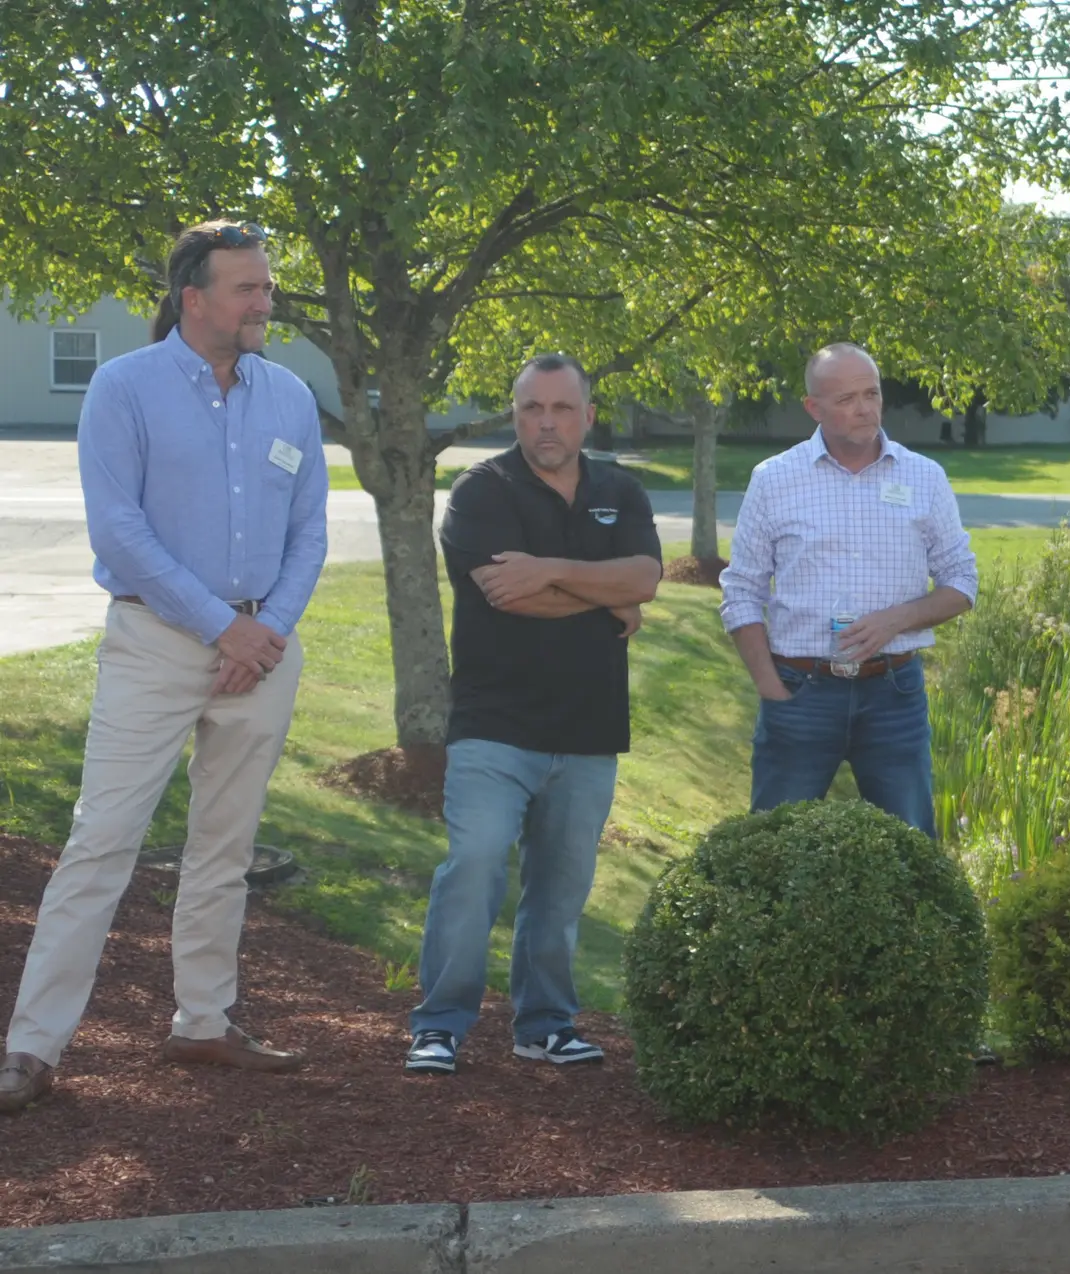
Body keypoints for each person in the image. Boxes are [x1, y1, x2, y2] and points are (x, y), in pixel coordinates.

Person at [0, 220, 328, 1114]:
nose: (266, 302)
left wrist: (266, 632)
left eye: (267, 286)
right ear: (194, 298)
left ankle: (204, 1023)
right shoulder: (124, 387)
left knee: (226, 846)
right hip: (155, 644)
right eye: (248, 288)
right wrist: (222, 628)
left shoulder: (290, 397)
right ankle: (32, 1047)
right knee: (101, 841)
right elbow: (120, 532)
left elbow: (308, 532)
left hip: (264, 652)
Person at [403, 354, 661, 1076]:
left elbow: (645, 577)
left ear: (588, 415)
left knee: (562, 887)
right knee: (475, 863)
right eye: (531, 409)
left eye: (562, 408)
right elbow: (507, 595)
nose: (547, 423)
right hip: (495, 725)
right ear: (514, 414)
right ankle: (439, 1025)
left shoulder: (620, 489)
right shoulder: (481, 490)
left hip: (589, 727)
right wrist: (605, 596)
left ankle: (545, 1025)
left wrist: (547, 569)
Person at [718, 343, 977, 838]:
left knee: (909, 847)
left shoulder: (924, 478)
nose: (864, 409)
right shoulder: (774, 480)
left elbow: (962, 582)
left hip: (894, 693)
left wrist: (896, 620)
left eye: (871, 394)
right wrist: (770, 688)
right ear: (813, 407)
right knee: (775, 845)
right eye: (846, 399)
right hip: (800, 691)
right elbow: (741, 591)